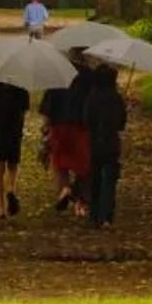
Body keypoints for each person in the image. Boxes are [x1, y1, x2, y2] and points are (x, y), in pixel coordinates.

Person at [82, 64, 128, 227]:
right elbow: (121, 124)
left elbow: (86, 121)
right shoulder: (117, 99)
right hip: (111, 144)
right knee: (109, 180)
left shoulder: (91, 98)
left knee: (95, 179)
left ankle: (94, 214)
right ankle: (107, 215)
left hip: (94, 144)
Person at [0, 75, 31, 217]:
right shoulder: (21, 90)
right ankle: (11, 189)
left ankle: (1, 208)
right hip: (14, 132)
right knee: (13, 165)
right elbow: (24, 110)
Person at [46, 78, 91, 214]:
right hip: (80, 127)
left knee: (60, 163)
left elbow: (48, 107)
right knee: (82, 164)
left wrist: (47, 126)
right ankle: (80, 200)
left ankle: (65, 188)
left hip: (59, 127)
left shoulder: (56, 77)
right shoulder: (87, 77)